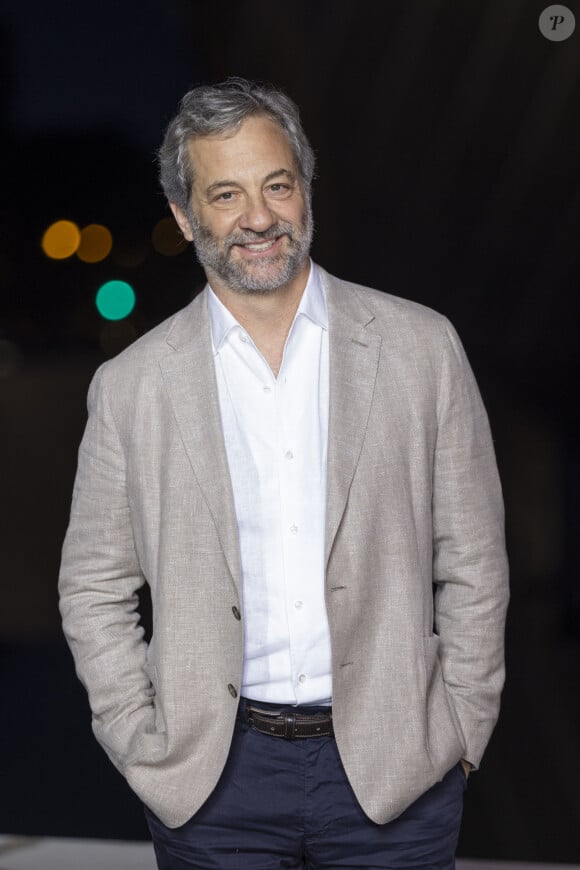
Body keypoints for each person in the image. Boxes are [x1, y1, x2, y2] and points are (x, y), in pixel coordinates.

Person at [59, 77, 509, 869]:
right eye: (226, 195)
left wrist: (459, 733)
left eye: (277, 185)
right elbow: (93, 586)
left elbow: (474, 560)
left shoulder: (422, 349)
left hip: (397, 773)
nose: (258, 218)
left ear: (306, 190)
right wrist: (142, 745)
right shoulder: (132, 386)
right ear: (184, 215)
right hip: (212, 785)